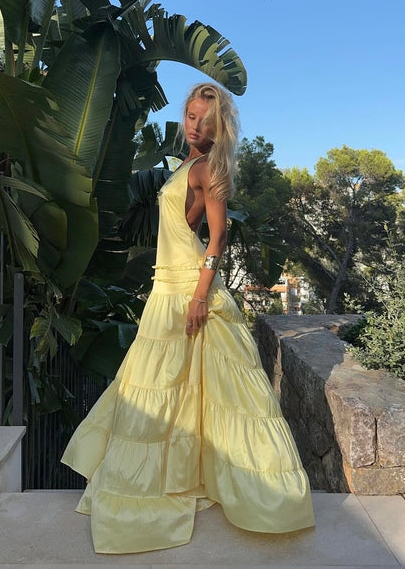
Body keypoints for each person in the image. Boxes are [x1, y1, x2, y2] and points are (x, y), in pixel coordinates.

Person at [61, 82, 315, 554]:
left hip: (188, 290)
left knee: (197, 392)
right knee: (164, 389)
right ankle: (167, 478)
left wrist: (200, 298)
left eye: (205, 120)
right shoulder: (184, 165)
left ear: (219, 128)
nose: (195, 125)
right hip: (167, 285)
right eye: (191, 116)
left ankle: (260, 494)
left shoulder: (208, 168)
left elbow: (217, 238)